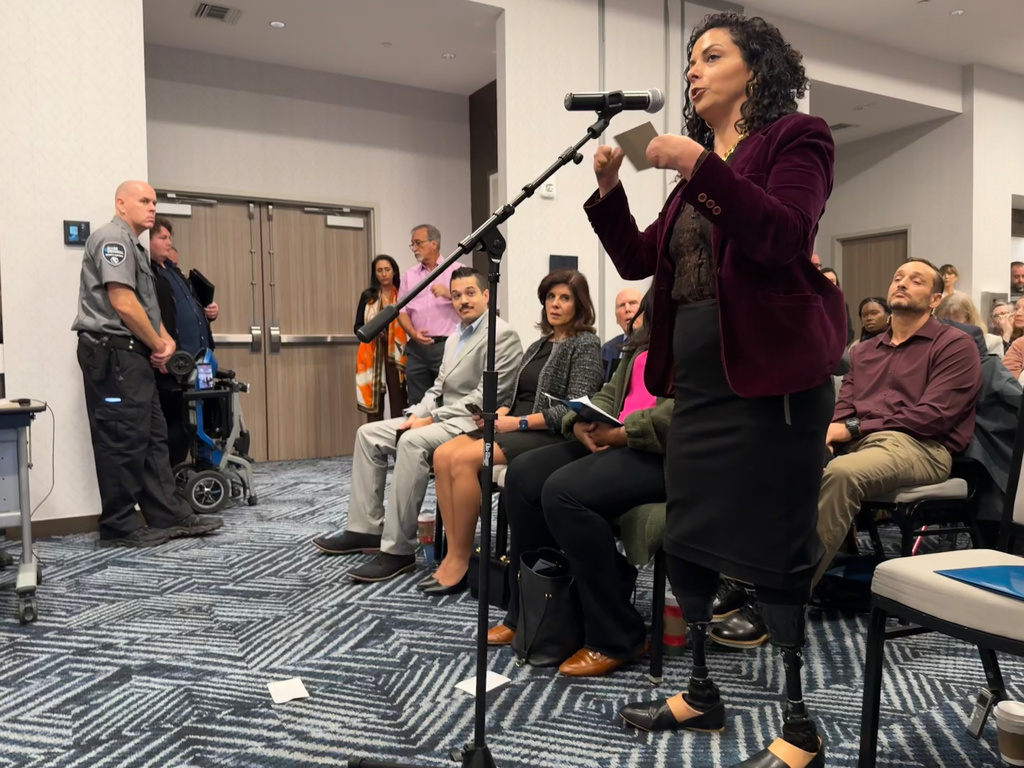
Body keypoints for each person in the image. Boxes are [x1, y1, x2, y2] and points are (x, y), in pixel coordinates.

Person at [584, 13, 846, 767]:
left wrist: (700, 166)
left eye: (713, 56)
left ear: (754, 71)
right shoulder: (698, 167)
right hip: (697, 380)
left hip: (774, 381)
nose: (694, 71)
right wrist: (609, 192)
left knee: (776, 545)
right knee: (690, 535)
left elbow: (784, 236)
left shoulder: (797, 138)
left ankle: (800, 726)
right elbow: (640, 261)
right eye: (691, 60)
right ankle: (700, 692)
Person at [714, 260, 984, 649]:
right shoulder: (865, 351)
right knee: (768, 459)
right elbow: (845, 408)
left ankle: (779, 601)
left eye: (916, 279)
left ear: (936, 298)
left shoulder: (955, 344)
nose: (902, 283)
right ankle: (741, 575)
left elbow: (934, 416)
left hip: (922, 447)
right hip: (859, 443)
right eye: (897, 277)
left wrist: (851, 429)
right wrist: (828, 436)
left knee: (842, 474)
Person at [488, 293, 674, 677]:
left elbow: (687, 416)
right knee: (523, 474)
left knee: (562, 490)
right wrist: (582, 421)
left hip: (664, 455)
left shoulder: (700, 336)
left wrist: (623, 433)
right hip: (618, 439)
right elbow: (612, 392)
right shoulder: (643, 337)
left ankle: (617, 634)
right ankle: (533, 610)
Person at [312, 268, 523, 583]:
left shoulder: (501, 335)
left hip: (472, 424)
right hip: (441, 417)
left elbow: (488, 396)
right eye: (456, 295)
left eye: (470, 293)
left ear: (486, 295)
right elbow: (438, 388)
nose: (463, 301)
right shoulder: (455, 336)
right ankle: (365, 528)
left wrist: (430, 419)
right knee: (368, 434)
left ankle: (398, 550)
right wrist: (417, 414)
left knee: (411, 442)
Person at [423, 270, 604, 595]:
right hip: (514, 424)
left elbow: (575, 408)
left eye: (565, 298)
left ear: (580, 304)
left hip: (547, 433)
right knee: (441, 454)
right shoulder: (539, 343)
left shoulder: (586, 343)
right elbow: (516, 394)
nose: (556, 304)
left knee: (463, 460)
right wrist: (499, 414)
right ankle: (451, 555)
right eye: (551, 297)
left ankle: (462, 560)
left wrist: (518, 423)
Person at [72, 182, 224, 547]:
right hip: (113, 354)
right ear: (121, 204)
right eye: (144, 201)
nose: (152, 207)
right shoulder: (113, 238)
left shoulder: (136, 248)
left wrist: (164, 340)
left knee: (152, 436)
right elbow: (122, 302)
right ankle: (119, 525)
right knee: (121, 439)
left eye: (155, 201)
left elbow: (142, 304)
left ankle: (167, 514)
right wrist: (158, 342)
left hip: (132, 355)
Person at [149, 218, 219, 466]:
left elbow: (191, 309)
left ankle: (201, 467)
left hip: (202, 360)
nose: (169, 242)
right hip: (174, 365)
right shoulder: (149, 275)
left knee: (203, 419)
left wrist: (209, 311)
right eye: (162, 238)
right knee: (177, 423)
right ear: (148, 241)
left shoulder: (173, 270)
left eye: (170, 238)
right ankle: (173, 476)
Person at [397, 225, 465, 405]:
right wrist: (413, 333)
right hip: (417, 349)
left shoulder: (457, 271)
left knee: (449, 400)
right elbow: (401, 311)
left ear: (434, 243)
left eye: (418, 243)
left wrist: (451, 294)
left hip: (448, 347)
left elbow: (475, 304)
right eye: (412, 245)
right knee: (417, 403)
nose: (414, 249)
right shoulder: (409, 275)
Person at [355, 254, 408, 422]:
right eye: (379, 270)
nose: (383, 274)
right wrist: (372, 331)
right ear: (375, 274)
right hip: (372, 353)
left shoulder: (403, 294)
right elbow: (357, 327)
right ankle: (374, 444)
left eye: (387, 269)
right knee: (374, 405)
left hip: (398, 354)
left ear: (394, 272)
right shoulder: (368, 296)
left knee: (399, 401)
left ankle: (399, 443)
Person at [935, 292, 1003, 357]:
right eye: (944, 320)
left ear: (969, 318)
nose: (949, 325)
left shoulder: (992, 342)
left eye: (955, 322)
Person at [600, 287, 641, 381]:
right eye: (622, 305)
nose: (627, 309)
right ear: (616, 318)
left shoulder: (656, 344)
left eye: (633, 303)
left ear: (645, 311)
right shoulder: (607, 349)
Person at [820, 267, 855, 346]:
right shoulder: (813, 304)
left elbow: (850, 332)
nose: (830, 284)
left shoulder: (843, 305)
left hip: (838, 349)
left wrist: (838, 346)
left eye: (832, 281)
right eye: (826, 280)